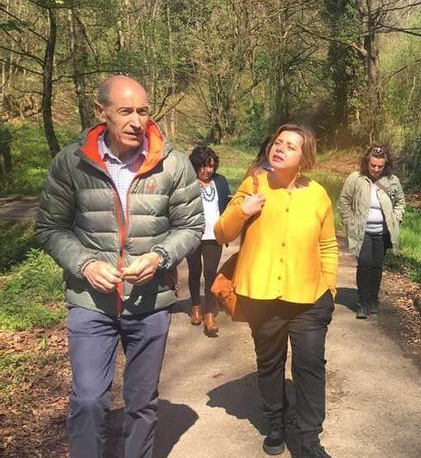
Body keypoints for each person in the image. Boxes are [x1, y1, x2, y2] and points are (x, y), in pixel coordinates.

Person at [34, 75, 203, 458]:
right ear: (101, 112)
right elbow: (50, 227)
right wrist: (86, 264)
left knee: (142, 401)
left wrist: (159, 257)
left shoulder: (173, 165)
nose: (136, 121)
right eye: (125, 111)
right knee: (90, 399)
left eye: (142, 111)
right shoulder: (71, 163)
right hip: (91, 302)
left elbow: (191, 226)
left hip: (151, 303)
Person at [214, 123, 338, 457]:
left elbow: (328, 245)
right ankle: (275, 422)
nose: (279, 148)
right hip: (262, 297)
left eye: (290, 146)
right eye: (277, 142)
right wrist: (243, 209)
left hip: (310, 299)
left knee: (310, 367)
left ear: (304, 157)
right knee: (269, 363)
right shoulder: (253, 184)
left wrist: (330, 288)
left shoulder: (317, 194)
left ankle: (310, 438)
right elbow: (222, 232)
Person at [338, 144, 406, 319]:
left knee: (376, 267)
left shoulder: (392, 181)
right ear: (366, 163)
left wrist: (395, 219)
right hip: (363, 232)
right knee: (365, 265)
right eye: (373, 165)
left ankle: (373, 299)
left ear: (386, 165)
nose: (376, 169)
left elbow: (400, 202)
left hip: (382, 233)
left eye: (380, 166)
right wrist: (349, 222)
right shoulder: (356, 178)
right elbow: (344, 201)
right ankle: (363, 302)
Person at [185, 145, 231, 335]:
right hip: (193, 235)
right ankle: (196, 305)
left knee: (211, 274)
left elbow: (228, 208)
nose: (208, 170)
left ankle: (209, 313)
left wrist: (227, 231)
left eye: (211, 166)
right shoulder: (187, 183)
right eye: (204, 166)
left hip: (214, 236)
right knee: (195, 271)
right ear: (196, 166)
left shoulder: (220, 181)